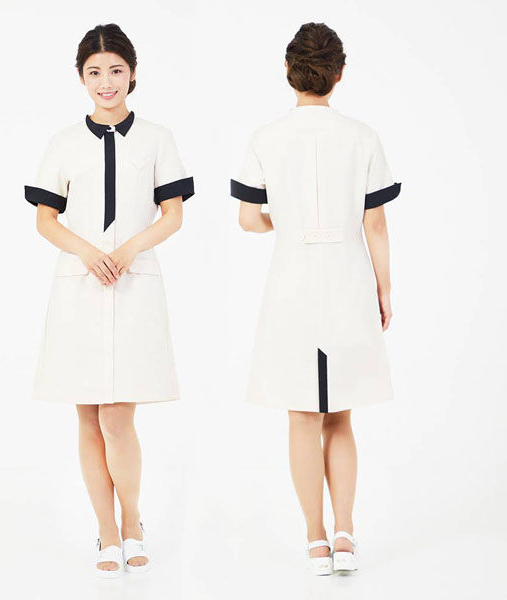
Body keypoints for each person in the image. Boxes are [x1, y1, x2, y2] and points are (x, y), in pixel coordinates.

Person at [230, 22, 401, 575]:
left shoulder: (266, 137)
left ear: (288, 70)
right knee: (340, 414)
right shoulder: (363, 136)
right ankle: (346, 533)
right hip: (349, 279)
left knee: (302, 415)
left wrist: (285, 221)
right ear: (340, 73)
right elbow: (375, 224)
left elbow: (248, 219)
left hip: (292, 283)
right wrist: (384, 288)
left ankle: (315, 540)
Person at [24, 23, 194, 577]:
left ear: (133, 73)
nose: (106, 81)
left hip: (135, 281)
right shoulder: (63, 143)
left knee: (118, 418)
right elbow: (46, 219)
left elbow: (173, 215)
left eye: (116, 70)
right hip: (77, 288)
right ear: (81, 78)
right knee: (88, 417)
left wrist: (126, 250)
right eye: (94, 72)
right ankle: (106, 530)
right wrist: (87, 253)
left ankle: (132, 521)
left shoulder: (158, 138)